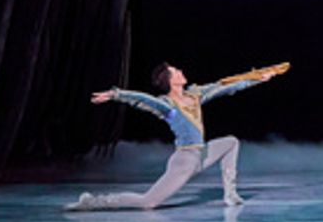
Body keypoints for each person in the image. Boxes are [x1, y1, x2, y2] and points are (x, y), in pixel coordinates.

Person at [64, 62, 286, 211]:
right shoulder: (168, 106)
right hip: (184, 160)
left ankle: (230, 194)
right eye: (176, 71)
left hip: (202, 155)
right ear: (170, 80)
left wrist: (259, 78)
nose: (181, 72)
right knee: (148, 203)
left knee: (231, 142)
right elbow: (144, 99)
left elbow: (224, 86)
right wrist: (116, 94)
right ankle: (92, 202)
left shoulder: (195, 94)